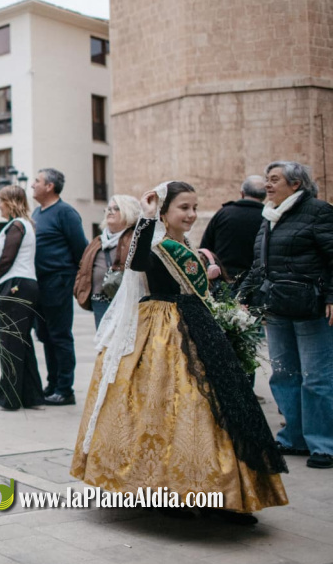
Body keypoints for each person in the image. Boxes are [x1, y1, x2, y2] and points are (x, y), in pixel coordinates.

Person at [72, 181, 288, 523]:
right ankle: (164, 489)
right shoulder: (156, 243)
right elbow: (137, 263)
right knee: (168, 409)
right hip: (161, 332)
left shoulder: (185, 245)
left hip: (196, 327)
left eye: (194, 207)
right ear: (164, 212)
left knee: (211, 411)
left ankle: (223, 493)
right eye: (183, 208)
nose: (191, 214)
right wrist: (146, 217)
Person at [240, 161, 333, 470]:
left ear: (296, 184)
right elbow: (260, 264)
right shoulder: (269, 216)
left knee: (316, 378)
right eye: (267, 179)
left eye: (275, 179)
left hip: (310, 308)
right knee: (283, 374)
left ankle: (323, 444)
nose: (267, 185)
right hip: (277, 308)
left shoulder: (318, 211)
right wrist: (243, 297)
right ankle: (294, 437)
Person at [0, 185, 42, 411]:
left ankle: (7, 399)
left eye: (1, 201)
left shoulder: (17, 225)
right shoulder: (23, 225)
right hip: (25, 285)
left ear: (11, 202)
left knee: (10, 344)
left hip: (16, 285)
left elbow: (7, 257)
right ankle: (31, 396)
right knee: (22, 342)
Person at [31, 168, 88, 406]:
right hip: (40, 284)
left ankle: (65, 389)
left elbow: (81, 249)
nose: (32, 184)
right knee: (45, 335)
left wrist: (71, 280)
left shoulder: (66, 213)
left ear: (50, 186)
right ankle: (52, 384)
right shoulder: (37, 212)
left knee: (60, 336)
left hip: (58, 281)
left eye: (37, 181)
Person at [74, 195, 140, 328]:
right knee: (103, 339)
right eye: (108, 209)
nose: (111, 211)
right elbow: (83, 267)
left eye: (116, 208)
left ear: (129, 211)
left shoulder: (136, 239)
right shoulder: (98, 241)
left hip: (126, 301)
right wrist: (79, 288)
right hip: (99, 300)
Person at [201, 175, 266, 281]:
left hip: (222, 280)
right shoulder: (267, 218)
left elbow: (205, 249)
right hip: (254, 282)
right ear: (264, 196)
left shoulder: (223, 213)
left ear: (242, 193)